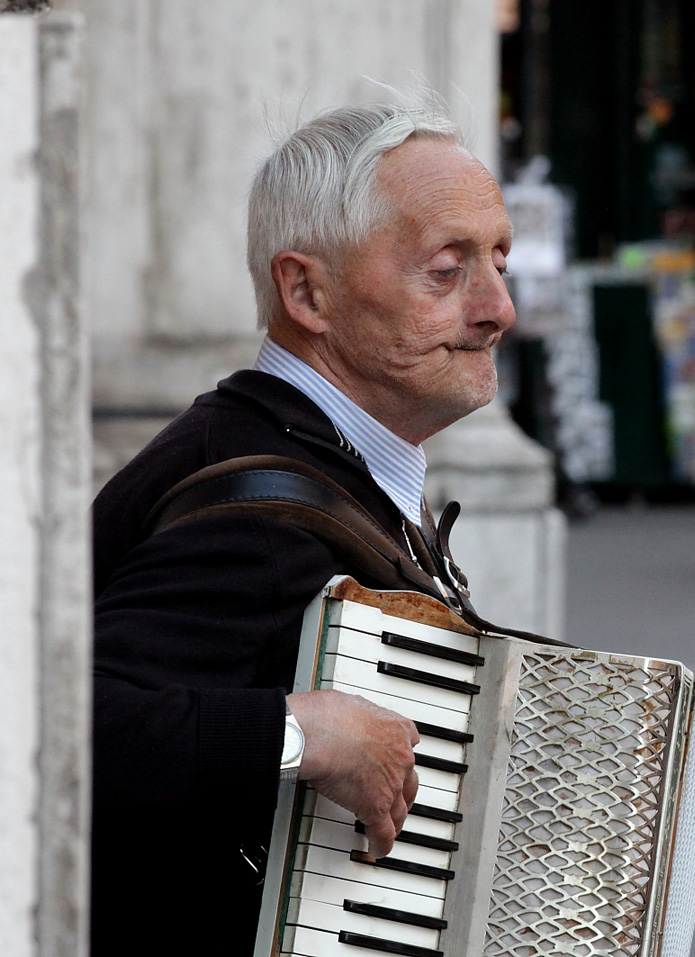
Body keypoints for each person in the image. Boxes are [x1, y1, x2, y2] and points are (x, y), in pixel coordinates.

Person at [91, 97, 515, 955]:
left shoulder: (313, 461)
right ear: (306, 291)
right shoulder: (260, 518)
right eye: (447, 268)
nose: (497, 307)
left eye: (501, 259)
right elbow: (64, 730)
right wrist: (303, 734)